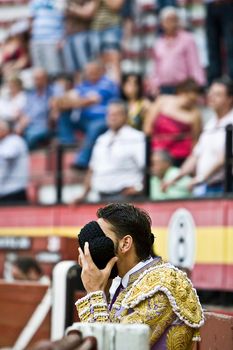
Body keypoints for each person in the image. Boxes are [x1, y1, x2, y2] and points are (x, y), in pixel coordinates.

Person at [75, 203, 204, 349]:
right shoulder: (128, 282)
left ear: (125, 244)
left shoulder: (160, 286)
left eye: (101, 239)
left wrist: (94, 293)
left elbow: (113, 347)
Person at [163, 77, 233, 196]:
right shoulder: (210, 123)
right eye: (210, 93)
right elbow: (196, 155)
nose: (211, 97)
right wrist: (176, 177)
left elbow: (225, 158)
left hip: (225, 187)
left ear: (230, 99)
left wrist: (201, 178)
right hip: (208, 187)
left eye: (218, 94)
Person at [73, 100, 145, 203]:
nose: (112, 117)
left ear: (125, 116)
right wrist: (83, 194)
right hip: (101, 197)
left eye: (116, 114)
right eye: (110, 114)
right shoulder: (101, 139)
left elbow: (146, 166)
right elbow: (92, 169)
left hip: (127, 198)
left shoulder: (137, 137)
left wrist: (140, 188)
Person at [54, 61, 120, 169]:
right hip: (84, 119)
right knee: (64, 113)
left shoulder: (107, 83)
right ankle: (67, 141)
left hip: (103, 119)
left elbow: (90, 101)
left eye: (92, 70)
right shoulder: (84, 85)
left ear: (100, 70)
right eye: (88, 71)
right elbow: (61, 101)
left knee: (94, 127)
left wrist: (72, 103)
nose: (89, 73)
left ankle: (82, 161)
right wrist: (67, 102)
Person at [144, 79, 202, 167]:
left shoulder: (195, 115)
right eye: (187, 97)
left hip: (180, 156)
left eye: (192, 100)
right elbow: (148, 126)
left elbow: (195, 141)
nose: (188, 102)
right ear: (180, 93)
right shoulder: (162, 101)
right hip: (156, 152)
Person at [149, 6, 205, 95]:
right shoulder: (158, 43)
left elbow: (194, 63)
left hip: (183, 87)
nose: (171, 23)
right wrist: (154, 85)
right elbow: (156, 68)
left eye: (174, 20)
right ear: (162, 23)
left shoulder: (187, 39)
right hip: (164, 87)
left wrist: (198, 84)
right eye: (168, 20)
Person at [16, 68, 53, 150]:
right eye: (34, 79)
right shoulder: (31, 94)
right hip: (27, 124)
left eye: (38, 79)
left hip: (42, 126)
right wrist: (22, 118)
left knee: (30, 136)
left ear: (45, 79)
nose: (35, 81)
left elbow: (52, 111)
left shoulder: (51, 92)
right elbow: (25, 110)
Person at [29, 0, 65, 75]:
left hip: (53, 40)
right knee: (39, 72)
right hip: (36, 40)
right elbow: (32, 19)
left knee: (54, 71)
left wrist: (62, 39)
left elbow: (64, 20)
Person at [0, 120, 28, 204]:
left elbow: (7, 156)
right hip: (4, 192)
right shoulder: (3, 142)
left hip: (14, 191)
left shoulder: (14, 140)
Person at [205, 0, 233, 84]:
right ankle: (214, 82)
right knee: (212, 48)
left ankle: (231, 81)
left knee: (231, 47)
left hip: (228, 4)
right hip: (210, 5)